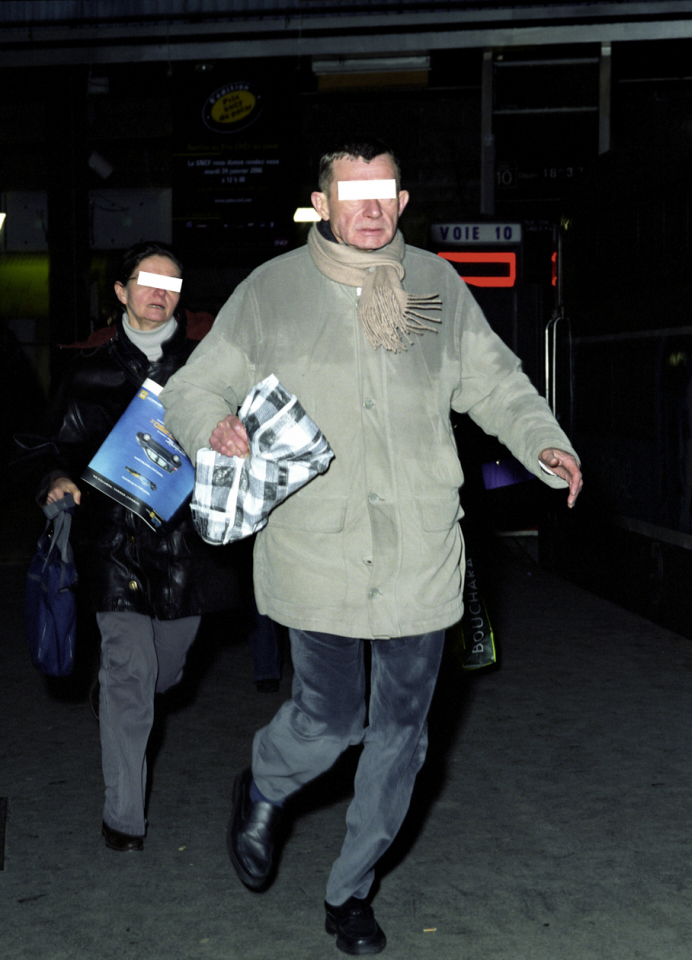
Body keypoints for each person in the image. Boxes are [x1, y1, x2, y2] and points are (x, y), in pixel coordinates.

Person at [161, 137, 582, 955]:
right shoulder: (272, 290)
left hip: (420, 553)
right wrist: (213, 421)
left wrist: (543, 442)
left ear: (401, 200)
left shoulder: (436, 283)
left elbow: (494, 382)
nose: (369, 207)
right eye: (352, 193)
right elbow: (192, 385)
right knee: (326, 722)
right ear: (320, 204)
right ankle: (265, 782)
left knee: (402, 736)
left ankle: (349, 890)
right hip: (317, 549)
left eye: (384, 191)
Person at [15, 241, 239, 852]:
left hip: (187, 549)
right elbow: (43, 444)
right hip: (111, 545)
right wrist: (54, 478)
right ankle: (123, 817)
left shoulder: (207, 366)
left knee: (167, 671)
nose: (159, 291)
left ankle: (125, 691)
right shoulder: (86, 370)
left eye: (172, 281)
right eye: (146, 280)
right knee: (128, 672)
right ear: (120, 291)